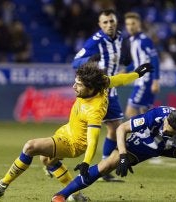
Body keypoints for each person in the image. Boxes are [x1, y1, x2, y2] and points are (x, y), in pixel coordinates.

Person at [0, 62, 152, 200]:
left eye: (78, 85)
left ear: (90, 88)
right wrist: (137, 74)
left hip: (73, 143)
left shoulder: (94, 110)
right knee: (47, 161)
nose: (73, 87)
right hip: (66, 131)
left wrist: (86, 162)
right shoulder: (101, 83)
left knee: (30, 146)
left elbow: (93, 139)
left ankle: (2, 185)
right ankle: (76, 195)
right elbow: (119, 80)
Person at [51, 106, 176, 202]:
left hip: (171, 148)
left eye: (168, 131)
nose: (164, 128)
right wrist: (124, 155)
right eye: (165, 125)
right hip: (143, 144)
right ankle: (61, 195)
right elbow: (122, 128)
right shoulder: (156, 116)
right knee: (110, 162)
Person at [71, 9, 126, 181]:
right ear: (100, 25)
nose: (109, 25)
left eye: (111, 21)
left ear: (116, 22)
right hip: (96, 93)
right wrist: (90, 60)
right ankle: (52, 160)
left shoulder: (120, 37)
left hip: (112, 91)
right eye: (105, 22)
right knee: (80, 136)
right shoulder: (94, 42)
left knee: (115, 128)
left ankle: (104, 167)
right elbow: (75, 62)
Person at [123, 12, 161, 118]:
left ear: (138, 24)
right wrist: (126, 70)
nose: (130, 27)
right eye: (128, 24)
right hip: (141, 81)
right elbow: (139, 61)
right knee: (145, 114)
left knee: (130, 112)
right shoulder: (133, 40)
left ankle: (141, 134)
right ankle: (149, 134)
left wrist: (156, 80)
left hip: (145, 81)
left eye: (133, 23)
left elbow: (154, 59)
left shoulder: (144, 40)